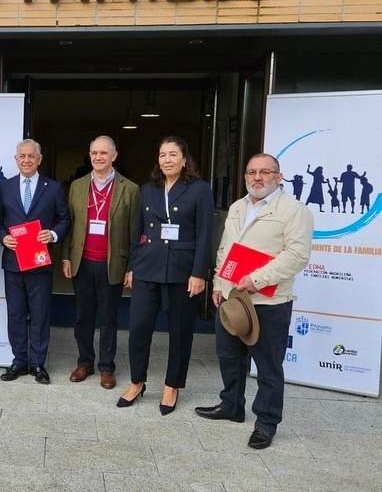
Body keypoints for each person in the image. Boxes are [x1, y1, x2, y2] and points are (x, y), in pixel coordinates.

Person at [195, 153, 313, 450]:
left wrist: (257, 279)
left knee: (268, 365)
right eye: (251, 172)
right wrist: (220, 284)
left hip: (268, 302)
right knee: (228, 356)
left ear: (278, 176)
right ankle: (231, 405)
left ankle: (266, 422)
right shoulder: (238, 207)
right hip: (232, 299)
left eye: (264, 172)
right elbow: (225, 249)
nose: (257, 177)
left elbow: (297, 255)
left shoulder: (294, 211)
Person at [118, 136, 213, 415]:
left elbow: (205, 234)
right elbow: (138, 231)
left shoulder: (199, 190)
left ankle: (173, 385)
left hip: (183, 271)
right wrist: (133, 267)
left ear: (185, 159)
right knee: (138, 328)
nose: (167, 160)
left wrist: (199, 272)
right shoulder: (148, 190)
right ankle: (137, 381)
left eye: (173, 154)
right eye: (162, 155)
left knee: (180, 332)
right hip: (148, 266)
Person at [61, 136, 140, 390]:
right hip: (82, 261)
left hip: (112, 263)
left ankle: (107, 367)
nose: (98, 157)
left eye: (103, 153)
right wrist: (65, 256)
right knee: (83, 316)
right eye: (94, 152)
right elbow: (69, 224)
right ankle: (85, 362)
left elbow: (135, 232)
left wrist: (132, 267)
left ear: (114, 156)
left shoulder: (130, 189)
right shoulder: (78, 185)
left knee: (108, 318)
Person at [0, 139, 70, 384]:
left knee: (40, 314)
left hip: (40, 262)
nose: (26, 160)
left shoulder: (53, 187)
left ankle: (38, 363)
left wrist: (52, 234)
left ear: (39, 159)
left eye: (31, 156)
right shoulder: (5, 187)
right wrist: (3, 237)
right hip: (13, 262)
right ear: (16, 159)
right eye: (22, 156)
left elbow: (64, 219)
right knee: (15, 313)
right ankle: (19, 361)